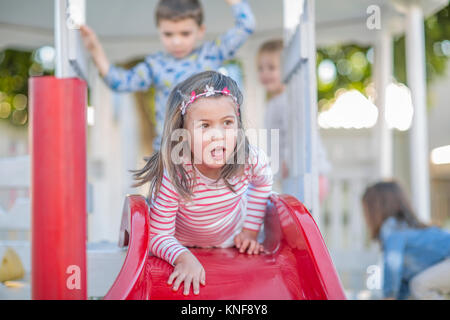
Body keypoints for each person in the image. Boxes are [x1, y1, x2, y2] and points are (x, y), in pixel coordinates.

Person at [132, 71, 273, 296]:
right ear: (183, 133)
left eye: (227, 122)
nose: (217, 135)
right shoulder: (177, 172)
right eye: (204, 126)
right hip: (182, 244)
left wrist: (250, 231)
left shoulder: (249, 160)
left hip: (230, 241)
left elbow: (263, 184)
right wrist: (183, 258)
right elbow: (158, 236)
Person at [79, 0, 255, 152]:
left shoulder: (211, 54)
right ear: (159, 31)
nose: (176, 41)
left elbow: (246, 27)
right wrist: (96, 50)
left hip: (207, 146)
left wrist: (235, 2)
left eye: (185, 33)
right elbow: (119, 82)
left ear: (200, 30)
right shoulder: (155, 65)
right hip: (169, 149)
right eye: (168, 34)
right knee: (169, 191)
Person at [256, 39, 331, 195]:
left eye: (271, 68)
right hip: (294, 175)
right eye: (260, 68)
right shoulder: (274, 102)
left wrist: (286, 160)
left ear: (285, 69)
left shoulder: (287, 101)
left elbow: (297, 133)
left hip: (307, 175)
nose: (265, 73)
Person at [362, 181, 450, 300]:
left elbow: (393, 263)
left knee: (419, 286)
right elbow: (403, 285)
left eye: (367, 211)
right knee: (418, 287)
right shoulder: (405, 228)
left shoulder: (392, 228)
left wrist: (389, 296)